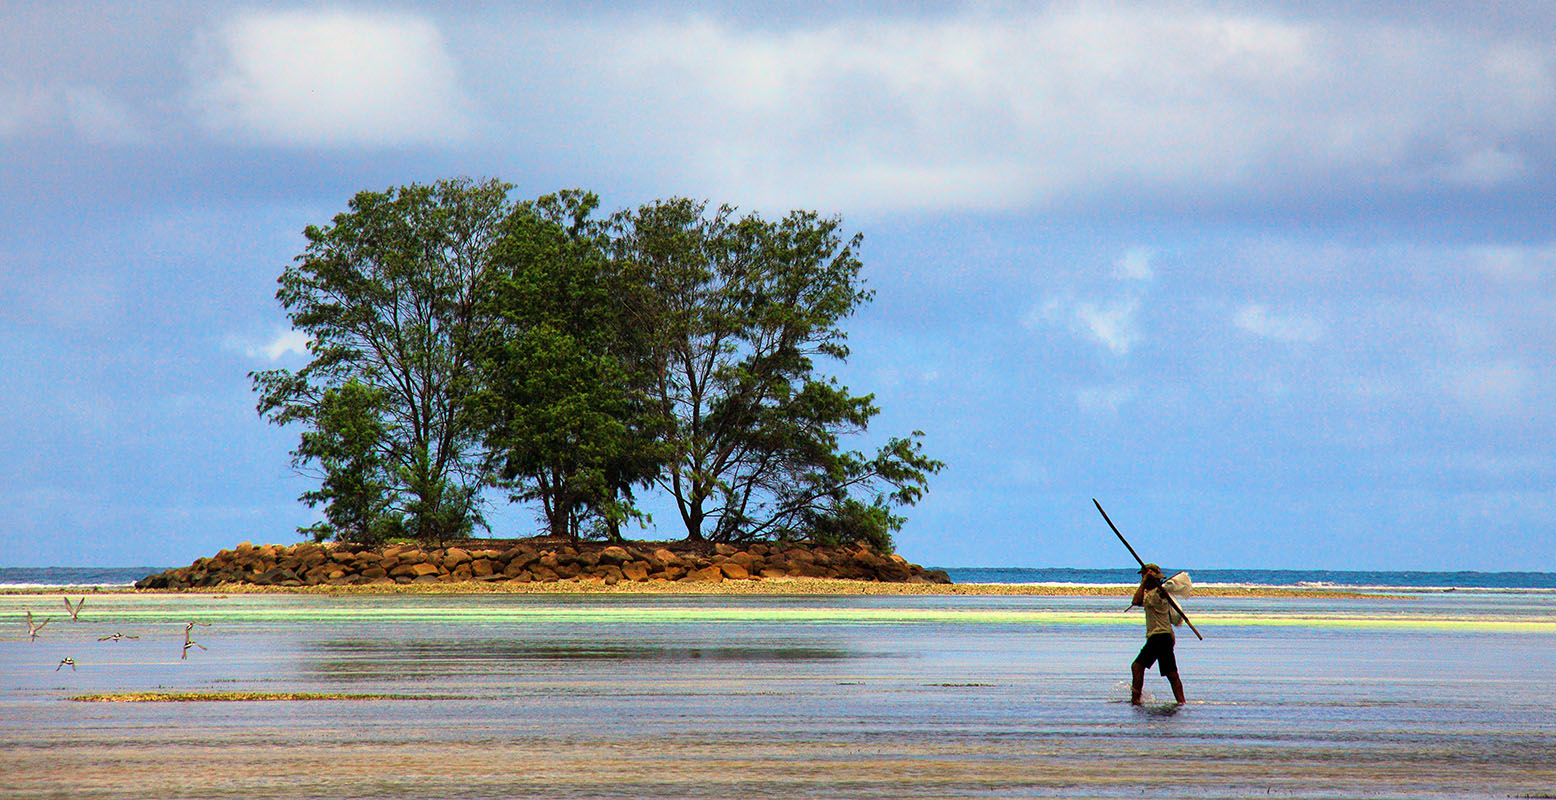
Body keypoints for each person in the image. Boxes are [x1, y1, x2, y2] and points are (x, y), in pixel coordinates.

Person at [1130, 563, 1186, 705]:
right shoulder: (1153, 593)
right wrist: (1145, 582)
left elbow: (1136, 601)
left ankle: (1136, 700)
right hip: (1163, 637)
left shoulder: (1159, 594)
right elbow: (1138, 601)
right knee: (1171, 673)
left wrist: (1144, 582)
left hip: (1159, 636)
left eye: (1143, 576)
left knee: (1137, 666)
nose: (1142, 578)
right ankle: (1181, 702)